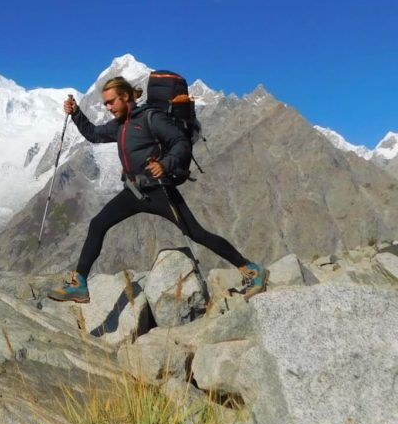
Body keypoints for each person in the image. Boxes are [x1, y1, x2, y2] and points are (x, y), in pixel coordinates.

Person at [47, 76, 268, 303]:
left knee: (196, 233)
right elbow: (94, 134)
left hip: (159, 191)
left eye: (111, 102)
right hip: (134, 192)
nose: (108, 107)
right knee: (98, 224)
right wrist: (76, 113)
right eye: (106, 104)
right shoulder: (119, 125)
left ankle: (251, 269)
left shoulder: (151, 118)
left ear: (125, 96)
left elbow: (180, 143)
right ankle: (80, 284)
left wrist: (165, 164)